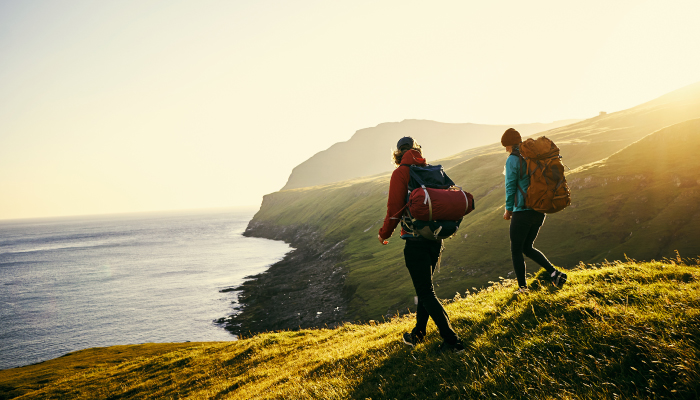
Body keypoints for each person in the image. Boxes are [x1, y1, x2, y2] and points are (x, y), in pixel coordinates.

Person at [378, 136, 465, 353]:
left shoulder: (401, 173)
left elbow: (394, 209)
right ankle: (418, 332)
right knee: (425, 288)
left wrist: (383, 234)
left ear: (398, 153)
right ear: (417, 150)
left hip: (414, 240)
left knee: (425, 292)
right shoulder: (430, 170)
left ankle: (453, 341)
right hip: (435, 238)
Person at [501, 128, 567, 293]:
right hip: (539, 208)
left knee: (516, 249)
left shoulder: (513, 160)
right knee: (527, 247)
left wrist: (508, 209)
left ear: (509, 145)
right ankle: (555, 273)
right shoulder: (532, 157)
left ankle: (523, 288)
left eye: (506, 146)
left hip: (522, 210)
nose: (506, 150)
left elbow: (510, 186)